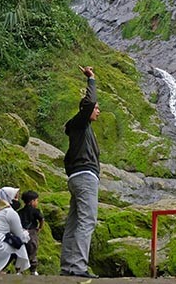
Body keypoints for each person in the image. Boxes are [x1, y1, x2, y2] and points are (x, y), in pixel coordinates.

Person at [59, 65, 101, 278]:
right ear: (86, 109)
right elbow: (89, 103)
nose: (98, 111)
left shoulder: (81, 130)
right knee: (87, 220)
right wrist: (91, 79)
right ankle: (77, 267)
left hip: (76, 177)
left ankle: (68, 266)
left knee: (74, 221)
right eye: (96, 108)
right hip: (85, 178)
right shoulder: (80, 123)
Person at [18, 190, 45, 275]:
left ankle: (19, 270)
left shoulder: (20, 211)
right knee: (33, 249)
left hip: (22, 232)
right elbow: (41, 219)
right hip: (32, 232)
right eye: (36, 200)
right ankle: (33, 270)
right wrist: (40, 227)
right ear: (32, 201)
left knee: (22, 250)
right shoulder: (35, 211)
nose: (37, 202)